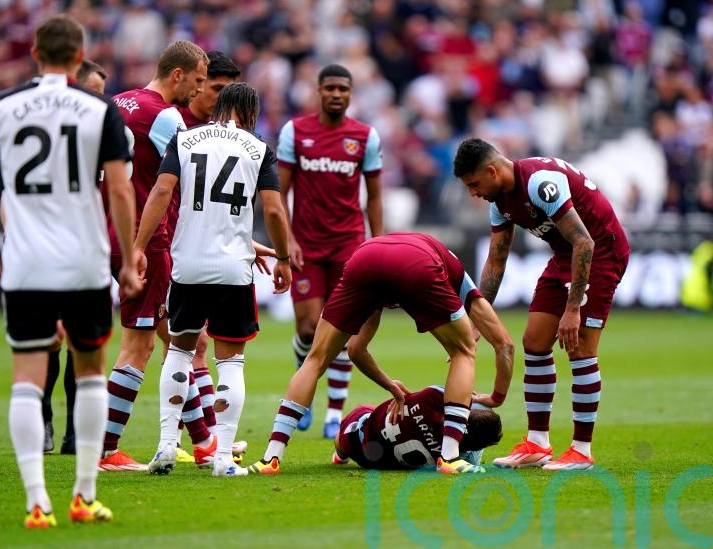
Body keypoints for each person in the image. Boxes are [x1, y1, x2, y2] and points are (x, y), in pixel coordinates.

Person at [0, 14, 141, 527]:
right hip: (84, 260)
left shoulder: (0, 107)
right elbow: (120, 189)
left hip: (25, 261)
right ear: (79, 54)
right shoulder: (100, 109)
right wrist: (129, 257)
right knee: (90, 372)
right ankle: (83, 494)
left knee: (26, 376)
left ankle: (36, 502)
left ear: (35, 53)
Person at [134, 82, 291, 477]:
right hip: (233, 270)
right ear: (251, 112)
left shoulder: (185, 139)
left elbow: (162, 190)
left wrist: (138, 246)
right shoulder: (258, 148)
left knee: (179, 352)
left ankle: (165, 447)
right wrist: (284, 257)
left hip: (187, 266)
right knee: (231, 362)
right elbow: (273, 210)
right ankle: (222, 459)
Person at [249, 232, 495, 476]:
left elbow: (355, 350)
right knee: (464, 350)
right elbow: (504, 342)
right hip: (411, 260)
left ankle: (272, 456)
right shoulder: (447, 269)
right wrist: (498, 395)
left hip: (364, 258)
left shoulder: (375, 293)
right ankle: (449, 456)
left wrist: (391, 386)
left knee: (314, 360)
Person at [453, 138, 630, 471]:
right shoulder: (499, 202)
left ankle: (581, 450)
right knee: (534, 342)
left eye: (474, 184)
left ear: (492, 171)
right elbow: (496, 261)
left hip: (601, 252)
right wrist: (477, 321)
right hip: (565, 255)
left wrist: (573, 309)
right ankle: (537, 443)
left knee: (580, 348)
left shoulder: (539, 183)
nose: (473, 193)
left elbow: (585, 241)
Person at [98, 40, 207, 472]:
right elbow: (182, 182)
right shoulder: (166, 116)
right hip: (146, 241)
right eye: (197, 80)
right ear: (177, 74)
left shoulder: (115, 104)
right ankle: (105, 450)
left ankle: (205, 442)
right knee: (138, 346)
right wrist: (142, 246)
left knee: (180, 340)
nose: (198, 91)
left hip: (106, 230)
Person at [278, 64, 384, 439]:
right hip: (306, 246)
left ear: (350, 94)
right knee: (308, 327)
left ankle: (334, 414)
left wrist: (377, 244)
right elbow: (279, 192)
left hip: (348, 245)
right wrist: (287, 239)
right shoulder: (295, 131)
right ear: (319, 91)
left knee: (342, 328)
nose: (336, 94)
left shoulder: (365, 137)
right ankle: (304, 389)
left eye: (343, 89)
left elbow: (375, 196)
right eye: (330, 88)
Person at [170, 51, 242, 464]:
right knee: (182, 345)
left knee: (188, 346)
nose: (222, 99)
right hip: (174, 247)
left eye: (229, 91)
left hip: (202, 250)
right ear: (197, 84)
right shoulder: (177, 126)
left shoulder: (225, 137)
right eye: (215, 88)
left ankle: (200, 440)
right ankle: (202, 440)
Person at [41, 58, 108, 457]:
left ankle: (72, 432)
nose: (100, 99)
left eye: (102, 92)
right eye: (94, 91)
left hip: (88, 249)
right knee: (52, 338)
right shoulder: (52, 135)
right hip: (48, 246)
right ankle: (45, 418)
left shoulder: (104, 134)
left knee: (81, 343)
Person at [333, 386, 502, 470]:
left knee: (345, 434)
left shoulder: (433, 397)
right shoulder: (450, 457)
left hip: (359, 435)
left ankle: (341, 455)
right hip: (373, 462)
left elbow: (458, 396)